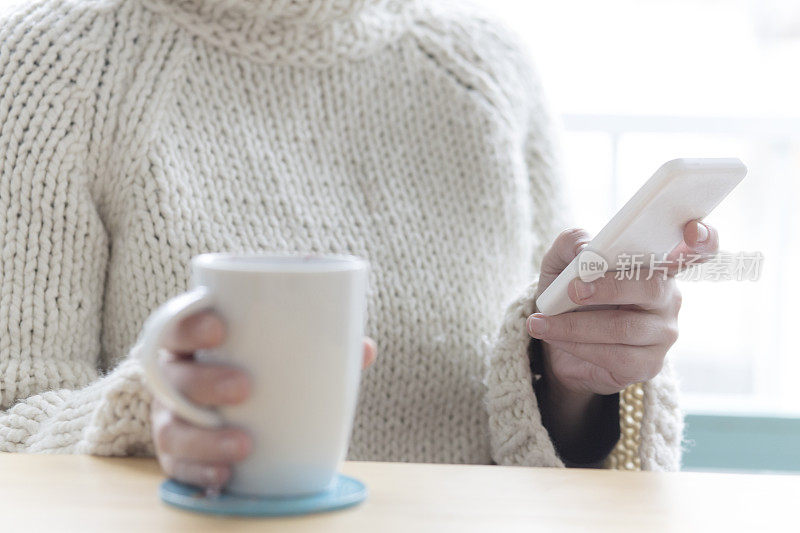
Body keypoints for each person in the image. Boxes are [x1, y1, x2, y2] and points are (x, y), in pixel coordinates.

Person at [0, 0, 717, 487]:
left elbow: (536, 450)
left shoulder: (488, 72)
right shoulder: (57, 68)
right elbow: (12, 429)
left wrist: (573, 375)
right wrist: (138, 420)